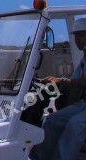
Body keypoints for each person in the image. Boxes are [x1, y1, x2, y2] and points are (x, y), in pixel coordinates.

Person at [32, 17, 86, 160]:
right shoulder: (84, 59)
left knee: (75, 125)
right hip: (83, 104)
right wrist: (52, 80)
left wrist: (63, 81)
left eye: (81, 35)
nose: (77, 40)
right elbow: (74, 79)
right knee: (51, 120)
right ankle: (38, 157)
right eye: (76, 36)